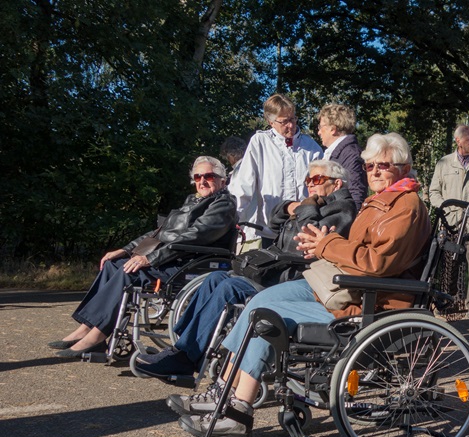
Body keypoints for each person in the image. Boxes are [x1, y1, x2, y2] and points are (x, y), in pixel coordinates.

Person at [169, 133, 431, 437]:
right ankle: (222, 392)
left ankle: (237, 408)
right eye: (369, 165)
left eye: (382, 165)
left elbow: (377, 263)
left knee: (266, 314)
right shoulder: (382, 200)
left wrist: (327, 244)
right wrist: (321, 244)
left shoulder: (405, 206)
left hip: (369, 301)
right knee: (261, 299)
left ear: (403, 167)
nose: (373, 171)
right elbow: (360, 250)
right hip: (343, 285)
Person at [132, 160, 357, 378]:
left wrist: (306, 209)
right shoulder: (315, 203)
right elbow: (274, 221)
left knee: (229, 287)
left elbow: (312, 234)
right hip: (277, 268)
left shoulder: (342, 208)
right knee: (214, 279)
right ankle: (184, 345)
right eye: (308, 179)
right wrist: (291, 206)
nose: (310, 184)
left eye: (317, 178)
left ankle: (186, 358)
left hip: (295, 274)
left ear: (336, 183)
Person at [49, 157, 237, 357]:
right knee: (114, 263)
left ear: (222, 180)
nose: (202, 181)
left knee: (128, 271)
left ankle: (98, 334)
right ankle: (87, 327)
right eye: (198, 176)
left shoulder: (223, 204)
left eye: (208, 176)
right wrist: (126, 249)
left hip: (190, 261)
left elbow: (195, 237)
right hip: (173, 256)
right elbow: (159, 233)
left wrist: (150, 258)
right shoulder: (193, 201)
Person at [230, 94, 323, 249]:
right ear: (270, 121)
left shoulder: (312, 148)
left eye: (293, 119)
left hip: (302, 228)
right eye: (284, 121)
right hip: (270, 229)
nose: (291, 125)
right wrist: (233, 219)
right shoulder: (260, 142)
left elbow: (322, 189)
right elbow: (244, 185)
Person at [428, 125, 469, 319]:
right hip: (450, 223)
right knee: (449, 266)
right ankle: (448, 302)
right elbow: (433, 192)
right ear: (458, 141)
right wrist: (446, 210)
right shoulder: (444, 163)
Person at [317, 103, 367, 210]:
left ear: (333, 129)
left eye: (321, 127)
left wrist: (348, 223)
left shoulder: (350, 154)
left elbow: (357, 193)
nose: (319, 132)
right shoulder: (338, 153)